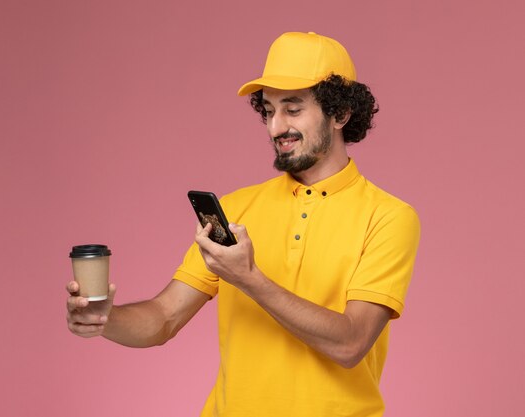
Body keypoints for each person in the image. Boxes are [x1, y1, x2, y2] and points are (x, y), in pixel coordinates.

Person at [66, 31, 421, 417]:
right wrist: (104, 319)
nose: (275, 127)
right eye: (268, 111)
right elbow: (164, 318)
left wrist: (250, 278)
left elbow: (351, 344)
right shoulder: (237, 209)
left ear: (340, 113)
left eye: (293, 108)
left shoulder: (388, 217)